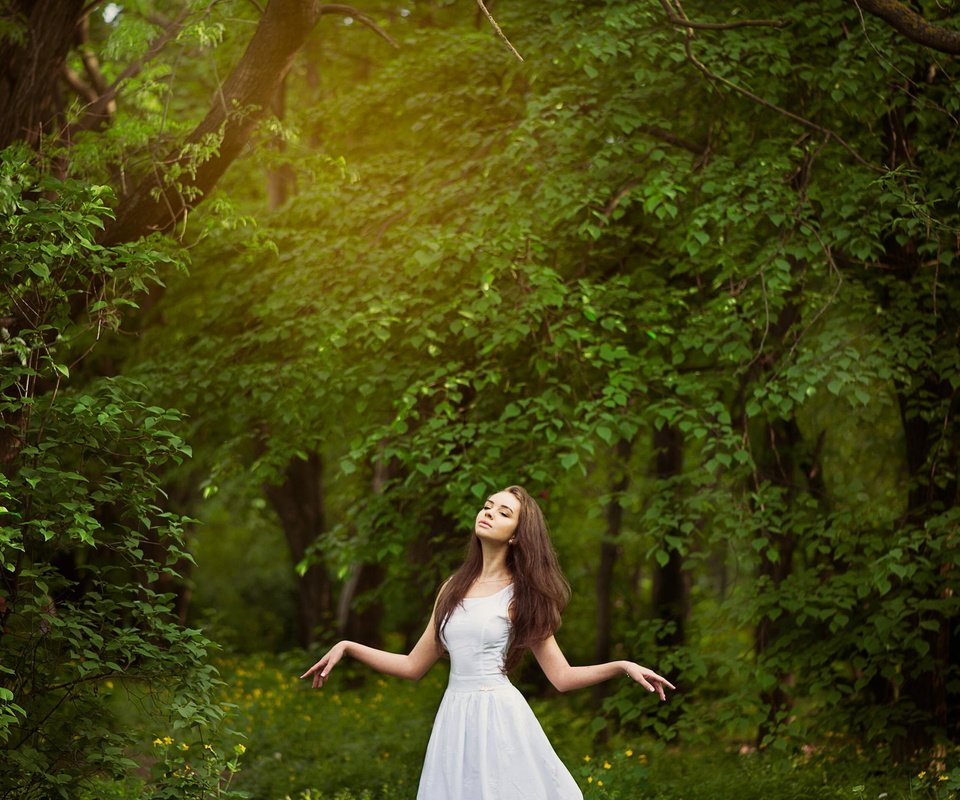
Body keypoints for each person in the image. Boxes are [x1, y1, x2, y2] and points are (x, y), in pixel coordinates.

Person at [300, 485, 675, 800]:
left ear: (516, 534)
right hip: (453, 719)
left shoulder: (523, 596)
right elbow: (413, 666)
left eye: (503, 512)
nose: (489, 512)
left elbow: (561, 677)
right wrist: (348, 646)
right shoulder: (452, 588)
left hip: (498, 718)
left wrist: (622, 666)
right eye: (487, 506)